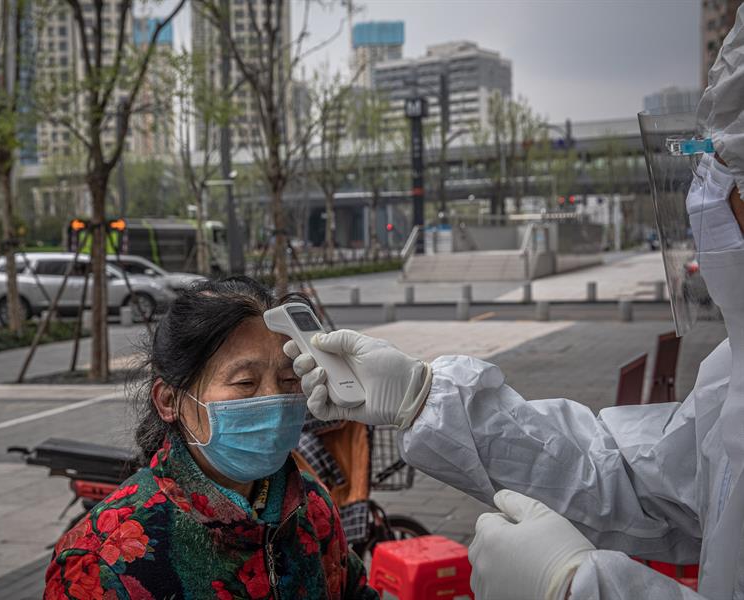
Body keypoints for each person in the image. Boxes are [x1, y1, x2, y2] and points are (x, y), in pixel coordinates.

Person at [286, 11, 744, 600]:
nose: (707, 198)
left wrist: (582, 588)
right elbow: (631, 474)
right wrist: (424, 398)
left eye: (724, 172)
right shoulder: (731, 375)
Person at [44, 277, 376, 600]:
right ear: (169, 401)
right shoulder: (101, 561)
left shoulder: (312, 504)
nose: (274, 399)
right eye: (246, 383)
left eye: (288, 379)